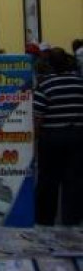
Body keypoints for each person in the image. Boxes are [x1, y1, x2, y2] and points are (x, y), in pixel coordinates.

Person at [34, 48, 83, 225]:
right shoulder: (79, 83)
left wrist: (36, 139)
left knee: (48, 181)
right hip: (77, 138)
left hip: (51, 139)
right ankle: (72, 220)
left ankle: (45, 219)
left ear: (50, 65)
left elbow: (38, 117)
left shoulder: (46, 85)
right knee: (74, 181)